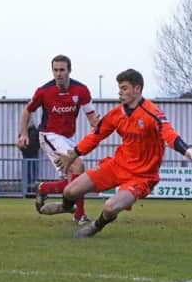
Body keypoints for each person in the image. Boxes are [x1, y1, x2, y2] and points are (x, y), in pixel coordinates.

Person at [45, 69, 192, 238]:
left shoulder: (152, 112)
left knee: (109, 207)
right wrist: (74, 154)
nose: (120, 92)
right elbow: (95, 136)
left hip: (142, 176)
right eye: (119, 88)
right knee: (70, 191)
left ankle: (96, 226)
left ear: (137, 89)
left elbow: (169, 133)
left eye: (124, 88)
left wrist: (186, 150)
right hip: (117, 165)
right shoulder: (116, 114)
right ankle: (66, 206)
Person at [17, 54, 99, 225]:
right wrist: (23, 134)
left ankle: (43, 188)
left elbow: (91, 115)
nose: (58, 74)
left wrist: (97, 124)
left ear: (69, 70)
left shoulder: (81, 90)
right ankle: (80, 216)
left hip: (68, 138)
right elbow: (27, 110)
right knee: (78, 166)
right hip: (49, 135)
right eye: (55, 70)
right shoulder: (44, 91)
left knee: (76, 178)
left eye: (62, 70)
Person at [18, 118, 41, 192]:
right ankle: (27, 189)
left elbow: (39, 142)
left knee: (34, 171)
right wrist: (23, 149)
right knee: (27, 172)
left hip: (34, 154)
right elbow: (20, 142)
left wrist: (35, 149)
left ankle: (34, 188)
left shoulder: (36, 132)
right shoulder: (22, 132)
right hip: (26, 154)